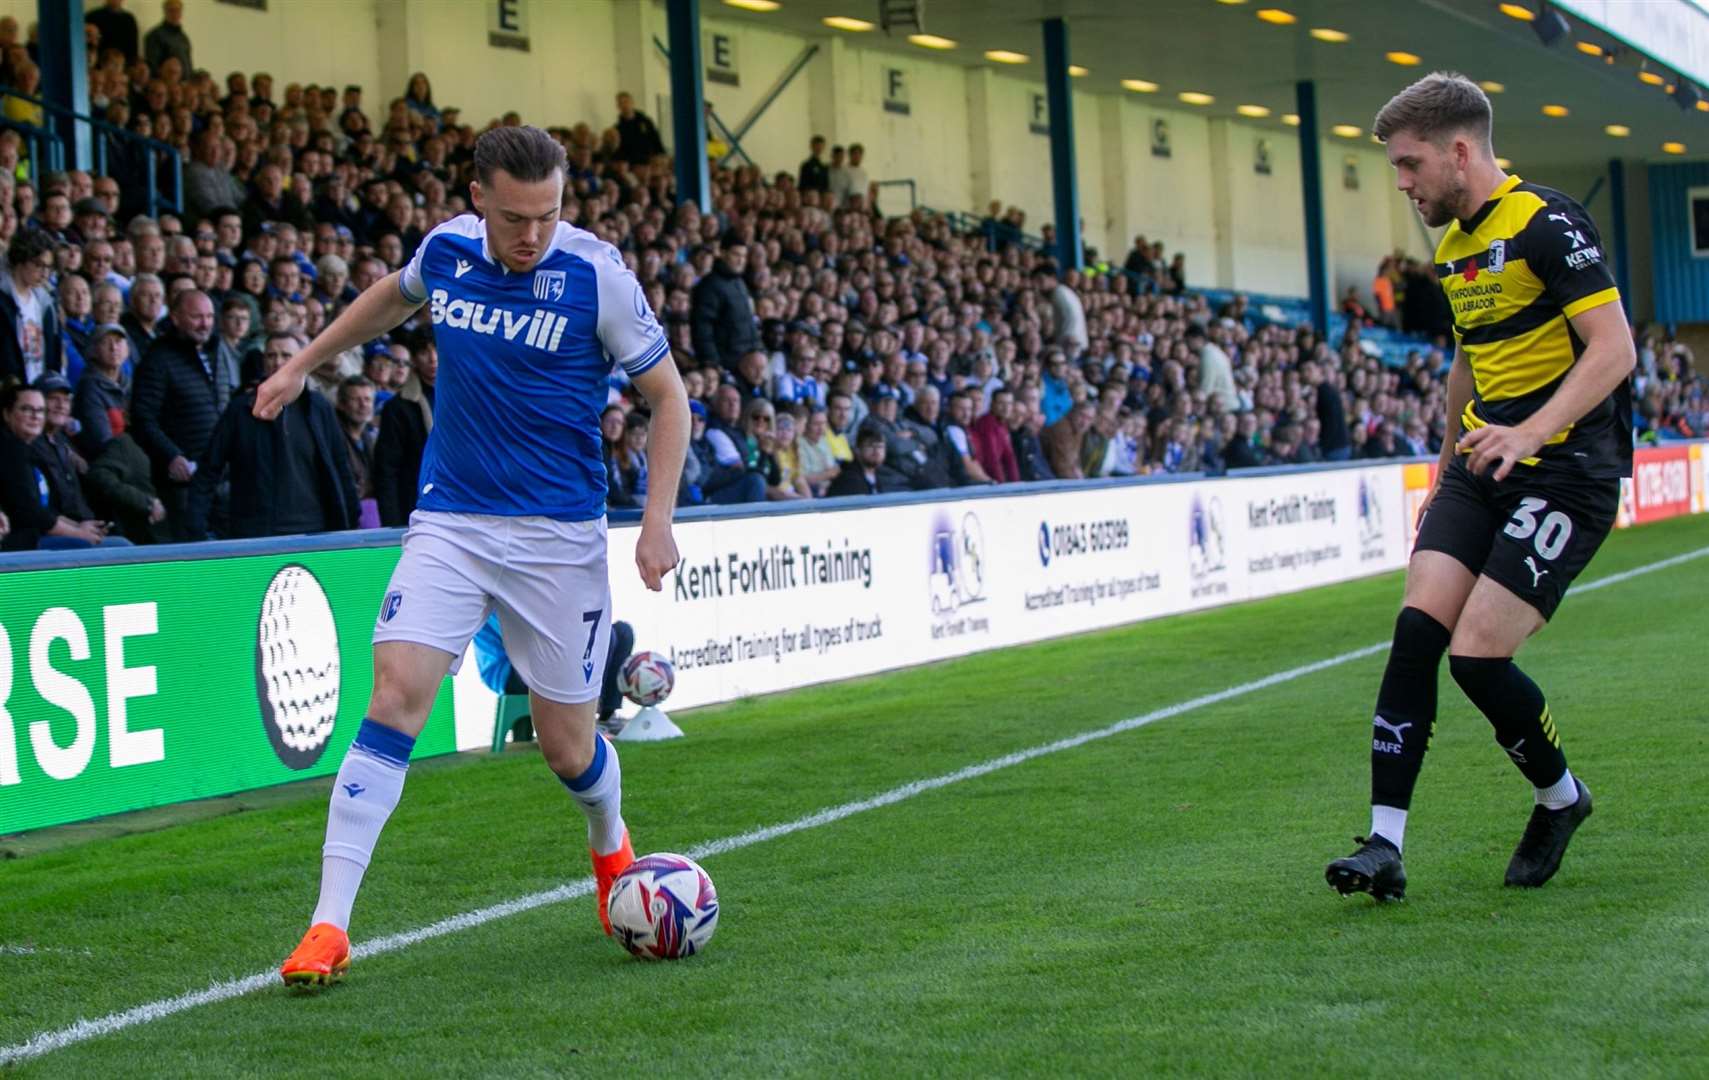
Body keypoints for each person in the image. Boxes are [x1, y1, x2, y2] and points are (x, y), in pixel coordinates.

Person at [255, 126, 688, 985]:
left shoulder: (595, 274)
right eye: (517, 216)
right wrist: (304, 361)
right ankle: (327, 926)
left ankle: (611, 848)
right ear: (479, 196)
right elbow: (391, 294)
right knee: (394, 695)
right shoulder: (448, 248)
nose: (533, 234)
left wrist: (656, 522)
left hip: (557, 541)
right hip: (450, 522)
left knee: (568, 748)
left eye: (550, 214)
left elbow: (668, 399)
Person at [1325, 73, 1633, 903]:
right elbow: (1468, 362)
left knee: (1476, 656)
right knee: (1416, 630)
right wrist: (1441, 469)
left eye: (1407, 163)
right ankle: (1382, 844)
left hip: (1568, 473)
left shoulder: (1546, 221)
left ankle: (1559, 800)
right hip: (1480, 465)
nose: (1400, 182)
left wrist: (1532, 431)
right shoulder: (1454, 249)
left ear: (1458, 152)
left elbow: (1613, 350)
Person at [190, 331, 358, 539]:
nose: (278, 362)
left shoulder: (319, 407)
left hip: (315, 531)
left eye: (286, 355)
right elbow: (209, 469)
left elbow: (341, 466)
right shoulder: (240, 409)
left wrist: (351, 521)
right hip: (256, 534)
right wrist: (196, 527)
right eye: (271, 356)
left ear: (300, 360)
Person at [0, 383, 115, 550]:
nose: (35, 416)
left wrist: (79, 526)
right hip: (22, 544)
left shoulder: (27, 449)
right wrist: (77, 533)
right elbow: (30, 511)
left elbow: (44, 510)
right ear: (7, 414)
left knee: (117, 544)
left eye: (40, 410)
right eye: (26, 409)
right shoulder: (9, 450)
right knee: (105, 546)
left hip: (39, 536)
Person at [372, 328, 434, 526]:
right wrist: (393, 522)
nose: (433, 358)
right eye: (424, 352)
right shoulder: (398, 407)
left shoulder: (463, 396)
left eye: (437, 350)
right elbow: (387, 470)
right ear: (414, 359)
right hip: (414, 505)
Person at [0, 228, 65, 387]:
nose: (44, 273)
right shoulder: (2, 300)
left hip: (40, 390)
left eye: (48, 267)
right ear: (20, 259)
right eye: (38, 265)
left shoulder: (46, 303)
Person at [143, 0, 192, 86]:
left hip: (182, 87)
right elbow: (152, 65)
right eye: (171, 10)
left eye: (177, 10)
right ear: (165, 12)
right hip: (164, 87)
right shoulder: (155, 35)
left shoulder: (184, 38)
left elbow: (188, 65)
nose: (175, 13)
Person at [614, 92, 664, 166]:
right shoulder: (617, 129)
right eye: (621, 103)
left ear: (632, 103)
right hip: (632, 166)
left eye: (626, 102)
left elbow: (656, 140)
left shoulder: (646, 122)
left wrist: (660, 155)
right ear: (618, 106)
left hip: (649, 163)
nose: (624, 105)